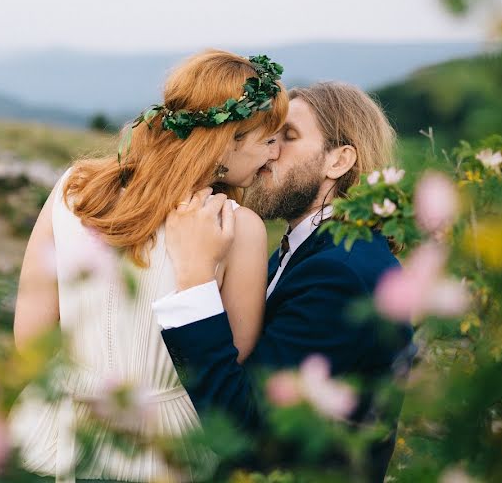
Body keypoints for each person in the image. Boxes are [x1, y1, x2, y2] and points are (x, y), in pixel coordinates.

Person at [9, 50, 288, 482]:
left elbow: (30, 337)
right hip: (164, 445)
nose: (274, 156)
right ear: (229, 139)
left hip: (56, 427)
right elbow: (228, 359)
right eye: (269, 140)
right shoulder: (238, 227)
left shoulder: (74, 188)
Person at [154, 82, 415, 482]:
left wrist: (194, 280)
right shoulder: (303, 253)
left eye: (288, 137)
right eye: (269, 136)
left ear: (339, 161)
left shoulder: (340, 275)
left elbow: (250, 430)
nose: (269, 151)